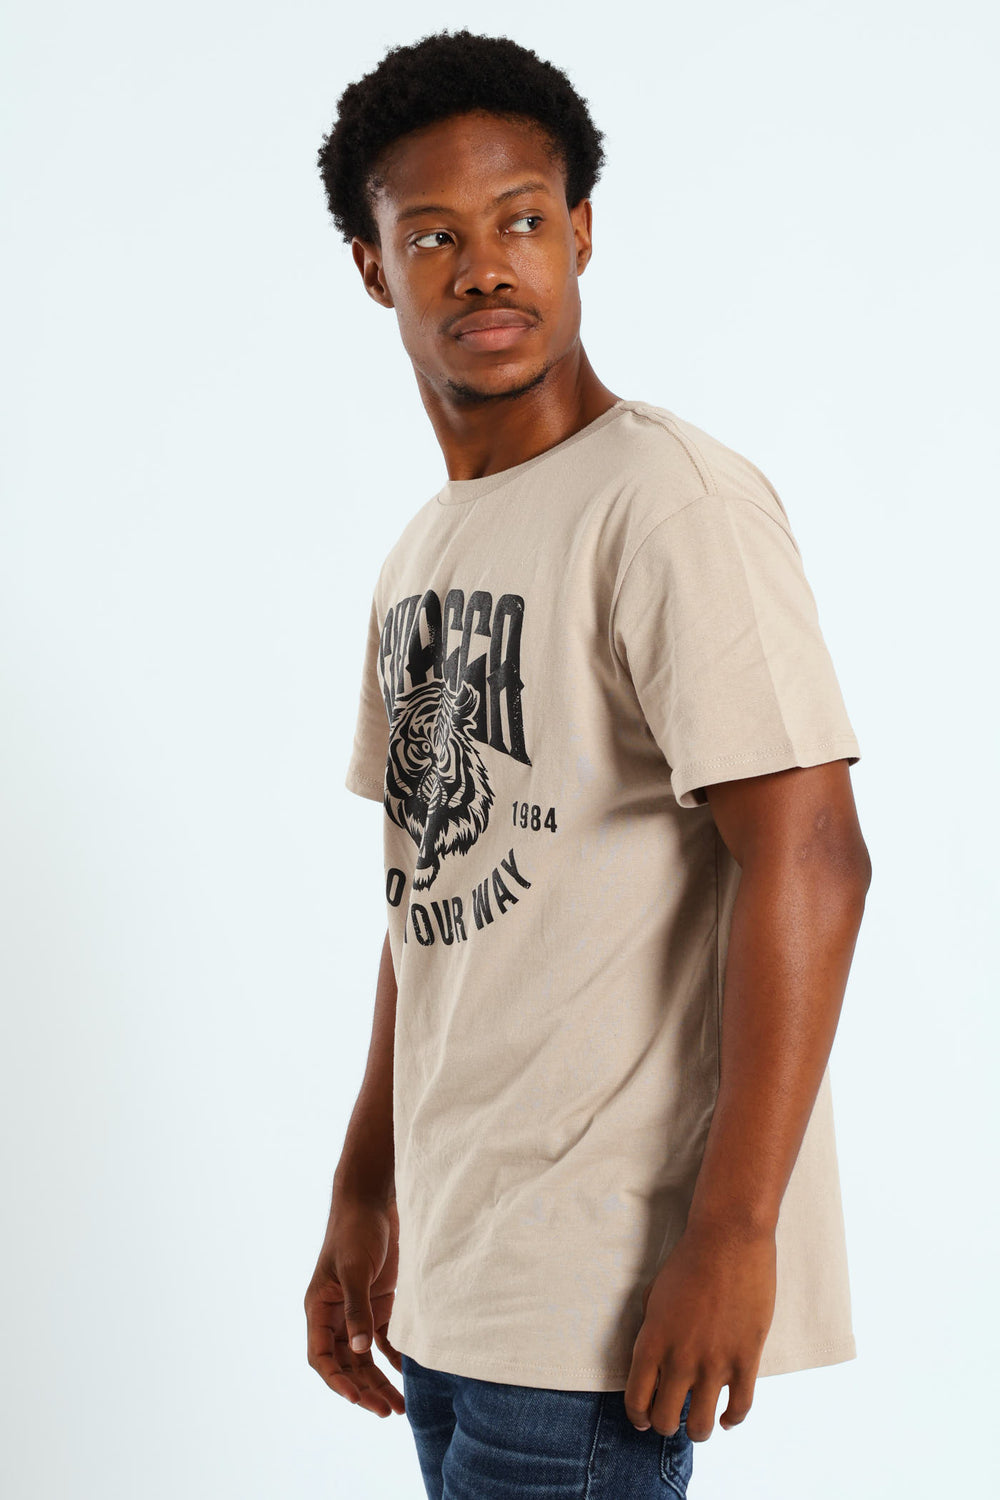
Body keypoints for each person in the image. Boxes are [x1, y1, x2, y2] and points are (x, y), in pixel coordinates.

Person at [304, 28, 871, 1500]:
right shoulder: (420, 554)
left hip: (596, 1309)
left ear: (582, 234)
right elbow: (426, 899)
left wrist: (733, 1231)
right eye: (435, 235)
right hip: (458, 1286)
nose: (484, 269)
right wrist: (365, 1187)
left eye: (522, 221)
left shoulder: (667, 503)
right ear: (374, 268)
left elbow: (813, 854)